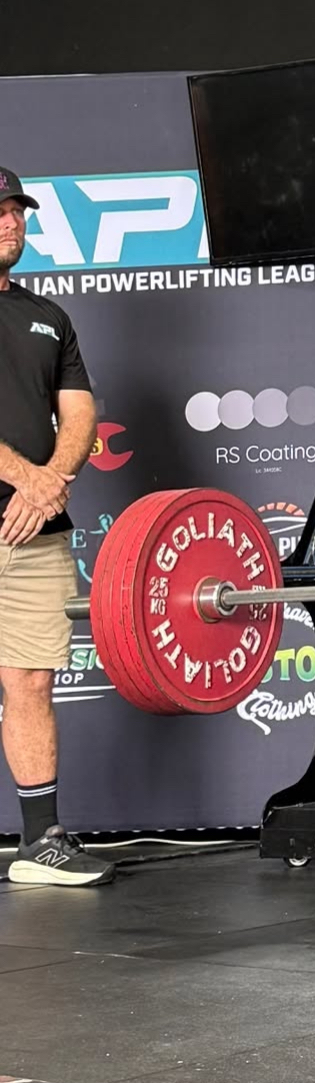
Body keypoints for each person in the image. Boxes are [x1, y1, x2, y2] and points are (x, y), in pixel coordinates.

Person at [0, 168, 112, 886]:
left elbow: (79, 413)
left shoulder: (49, 316)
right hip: (27, 499)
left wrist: (52, 483)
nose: (11, 224)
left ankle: (39, 842)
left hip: (33, 533)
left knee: (30, 682)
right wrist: (25, 475)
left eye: (16, 212)